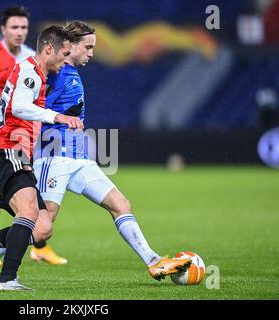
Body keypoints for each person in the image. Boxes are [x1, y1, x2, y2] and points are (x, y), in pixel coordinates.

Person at [32, 21, 192, 281]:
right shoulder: (57, 75)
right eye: (88, 47)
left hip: (79, 160)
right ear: (70, 47)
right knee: (41, 228)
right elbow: (35, 112)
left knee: (120, 204)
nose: (92, 54)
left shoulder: (70, 73)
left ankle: (153, 261)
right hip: (55, 157)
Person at [0, 25, 83, 291]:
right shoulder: (30, 71)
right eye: (65, 53)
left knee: (42, 227)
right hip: (7, 151)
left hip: (18, 153)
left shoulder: (38, 75)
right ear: (49, 49)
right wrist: (58, 117)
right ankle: (7, 278)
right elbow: (20, 106)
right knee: (29, 212)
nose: (66, 59)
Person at [0, 6, 68, 283]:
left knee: (25, 205)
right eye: (14, 27)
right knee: (6, 194)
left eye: (24, 27)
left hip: (21, 133)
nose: (20, 32)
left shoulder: (30, 59)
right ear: (3, 29)